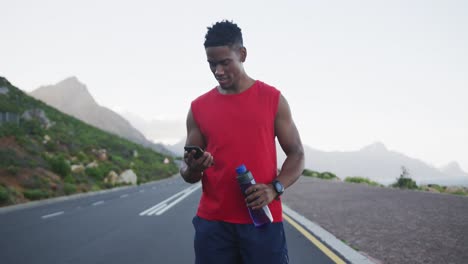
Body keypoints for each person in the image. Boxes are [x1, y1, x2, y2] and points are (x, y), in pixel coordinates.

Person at [180, 20, 305, 264]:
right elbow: (187, 172)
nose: (218, 71)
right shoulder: (198, 108)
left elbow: (297, 154)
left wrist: (274, 188)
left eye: (225, 62)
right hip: (213, 225)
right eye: (211, 64)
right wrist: (193, 168)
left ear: (243, 54)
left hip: (262, 221)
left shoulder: (272, 99)